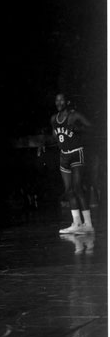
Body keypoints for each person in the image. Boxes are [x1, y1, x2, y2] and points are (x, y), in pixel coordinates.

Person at [51, 92, 94, 234]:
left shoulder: (74, 116)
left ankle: (88, 224)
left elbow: (91, 127)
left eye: (61, 100)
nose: (59, 103)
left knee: (77, 188)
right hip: (64, 156)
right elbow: (55, 135)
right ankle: (77, 223)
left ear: (67, 102)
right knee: (68, 190)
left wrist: (78, 129)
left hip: (76, 153)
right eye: (57, 100)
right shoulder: (53, 119)